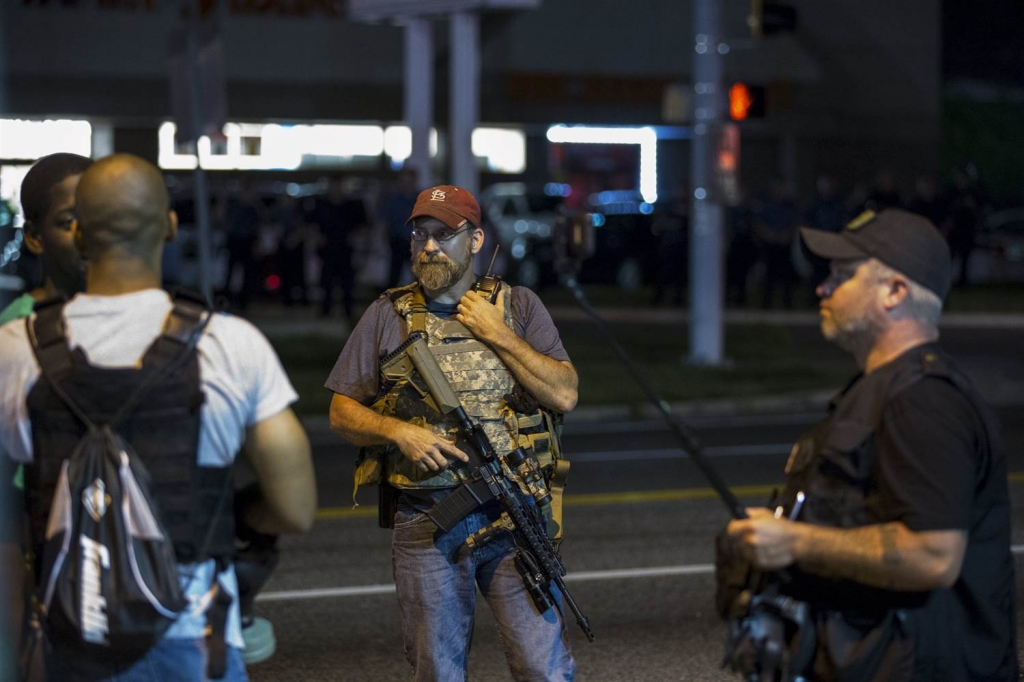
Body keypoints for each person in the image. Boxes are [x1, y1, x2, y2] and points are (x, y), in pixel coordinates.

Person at [0, 154, 317, 681]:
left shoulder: (16, 349)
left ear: (80, 236)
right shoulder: (228, 344)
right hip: (194, 640)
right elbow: (296, 506)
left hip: (69, 636)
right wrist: (231, 517)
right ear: (170, 226)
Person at [724, 209, 1018, 681]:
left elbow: (933, 555)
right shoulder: (878, 391)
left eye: (842, 276)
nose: (822, 288)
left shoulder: (923, 400)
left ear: (895, 291)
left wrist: (795, 542)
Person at [326, 185, 578, 681]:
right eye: (421, 233)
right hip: (426, 521)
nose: (429, 246)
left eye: (444, 234)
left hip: (514, 517)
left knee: (541, 666)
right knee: (437, 671)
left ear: (477, 239)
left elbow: (564, 393)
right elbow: (340, 411)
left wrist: (496, 332)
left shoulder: (518, 307)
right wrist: (399, 432)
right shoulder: (387, 315)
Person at [315, 177, 368, 321]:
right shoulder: (322, 205)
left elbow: (363, 225)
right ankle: (326, 310)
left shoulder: (351, 206)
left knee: (347, 282)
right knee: (327, 282)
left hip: (346, 248)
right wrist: (318, 238)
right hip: (328, 248)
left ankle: (348, 310)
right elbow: (312, 224)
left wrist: (356, 237)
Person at [381, 168, 419, 288]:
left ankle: (421, 302)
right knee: (394, 274)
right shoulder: (394, 200)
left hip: (417, 242)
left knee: (419, 274)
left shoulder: (420, 199)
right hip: (398, 241)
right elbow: (386, 221)